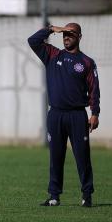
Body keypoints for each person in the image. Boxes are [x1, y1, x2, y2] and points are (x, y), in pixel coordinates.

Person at [27, 23, 100, 207]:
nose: (66, 37)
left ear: (79, 37)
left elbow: (94, 89)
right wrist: (51, 29)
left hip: (77, 116)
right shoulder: (53, 55)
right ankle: (54, 196)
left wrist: (95, 113)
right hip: (56, 115)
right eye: (65, 34)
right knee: (56, 157)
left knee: (82, 156)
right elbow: (32, 41)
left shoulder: (86, 62)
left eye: (71, 34)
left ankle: (87, 195)